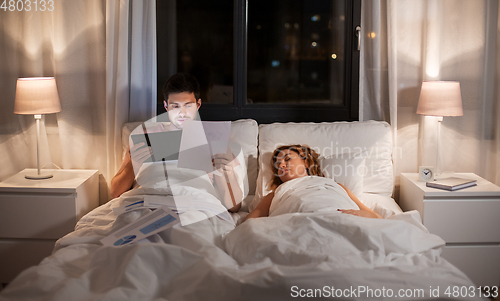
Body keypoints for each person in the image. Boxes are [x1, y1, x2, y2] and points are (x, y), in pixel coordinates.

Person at [110, 73, 242, 212]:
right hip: (147, 201)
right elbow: (115, 193)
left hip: (194, 202)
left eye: (188, 105)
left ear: (198, 104)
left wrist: (226, 173)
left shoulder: (214, 139)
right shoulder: (144, 135)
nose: (182, 113)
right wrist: (132, 165)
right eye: (175, 106)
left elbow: (234, 207)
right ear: (166, 106)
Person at [243, 144, 381, 222]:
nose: (281, 166)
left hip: (341, 219)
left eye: (287, 159)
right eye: (278, 165)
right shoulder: (275, 194)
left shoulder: (336, 186)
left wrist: (366, 216)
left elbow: (376, 217)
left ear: (306, 161)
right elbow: (249, 223)